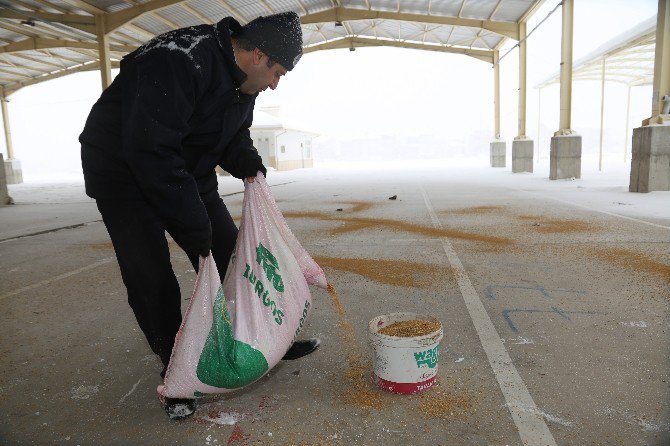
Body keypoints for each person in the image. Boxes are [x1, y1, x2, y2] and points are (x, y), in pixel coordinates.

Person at [79, 11, 319, 420]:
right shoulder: (177, 60)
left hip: (185, 165)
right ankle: (179, 372)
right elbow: (151, 151)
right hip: (124, 174)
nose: (276, 82)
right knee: (149, 274)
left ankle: (257, 340)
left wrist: (247, 162)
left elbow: (231, 133)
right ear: (258, 55)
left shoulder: (245, 82)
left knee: (230, 252)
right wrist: (193, 226)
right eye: (278, 72)